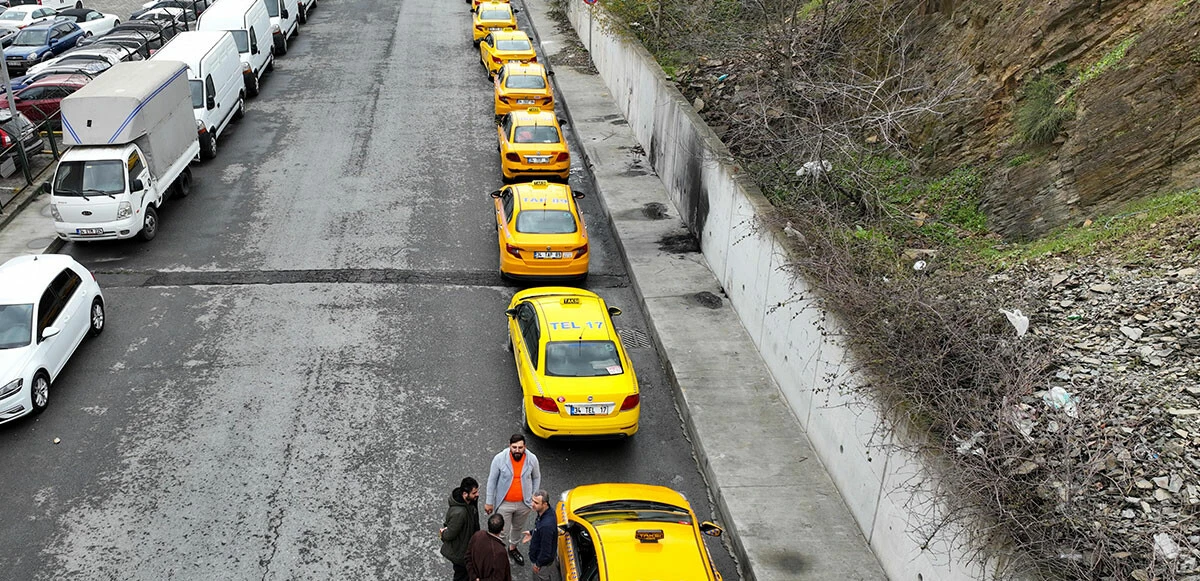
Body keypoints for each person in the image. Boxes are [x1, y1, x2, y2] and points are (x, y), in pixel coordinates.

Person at [485, 434, 541, 566]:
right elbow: (492, 481)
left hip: (524, 503)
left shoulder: (532, 459)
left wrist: (533, 497)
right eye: (514, 447)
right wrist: (489, 502)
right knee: (502, 531)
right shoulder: (499, 459)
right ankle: (498, 552)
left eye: (520, 447)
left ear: (525, 447)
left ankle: (512, 548)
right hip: (504, 504)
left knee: (518, 527)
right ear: (509, 445)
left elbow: (536, 477)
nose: (517, 450)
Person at [441, 477, 481, 581]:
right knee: (461, 576)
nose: (477, 494)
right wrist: (443, 534)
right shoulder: (459, 513)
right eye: (474, 493)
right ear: (465, 494)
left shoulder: (470, 502)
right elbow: (449, 534)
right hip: (461, 554)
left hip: (468, 548)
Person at [521, 490, 560, 581]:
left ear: (545, 504)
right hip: (541, 558)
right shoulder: (546, 512)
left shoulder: (546, 526)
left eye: (536, 503)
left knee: (541, 577)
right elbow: (540, 529)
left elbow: (546, 550)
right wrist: (532, 533)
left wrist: (538, 564)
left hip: (542, 563)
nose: (532, 504)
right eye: (532, 501)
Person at [466, 513, 512, 581]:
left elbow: (468, 556)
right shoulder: (500, 552)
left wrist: (474, 577)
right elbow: (498, 577)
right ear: (502, 529)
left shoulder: (478, 535)